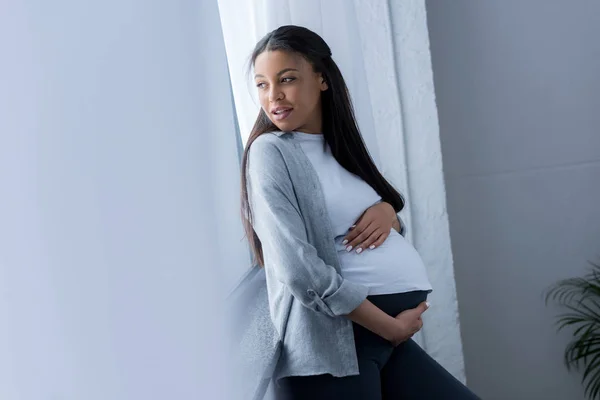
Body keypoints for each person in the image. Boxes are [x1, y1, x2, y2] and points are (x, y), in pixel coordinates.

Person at [240, 25, 479, 400]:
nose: (274, 96)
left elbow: (360, 228)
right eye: (262, 84)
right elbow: (298, 268)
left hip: (377, 342)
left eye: (286, 79)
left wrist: (391, 214)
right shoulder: (271, 151)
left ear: (321, 79)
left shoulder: (338, 147)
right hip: (334, 348)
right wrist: (388, 326)